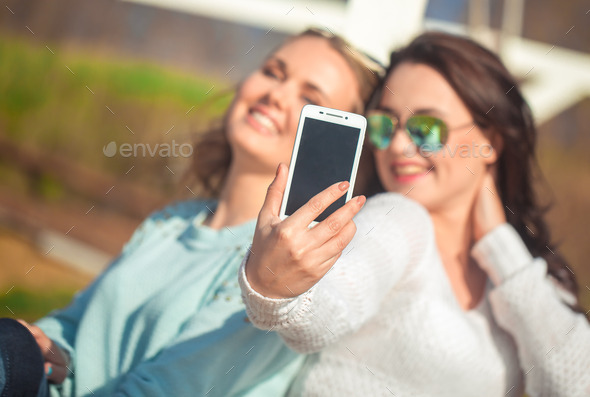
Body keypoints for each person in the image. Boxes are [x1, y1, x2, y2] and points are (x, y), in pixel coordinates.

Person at [0, 28, 383, 396]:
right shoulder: (172, 221)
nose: (276, 94)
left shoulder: (282, 272)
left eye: (309, 99)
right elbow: (74, 327)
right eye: (272, 72)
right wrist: (45, 348)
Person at [240, 32, 590, 396]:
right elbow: (329, 307)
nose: (399, 146)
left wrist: (500, 245)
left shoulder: (529, 275)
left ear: (490, 143)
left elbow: (576, 385)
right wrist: (277, 289)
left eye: (426, 129)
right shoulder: (398, 219)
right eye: (384, 126)